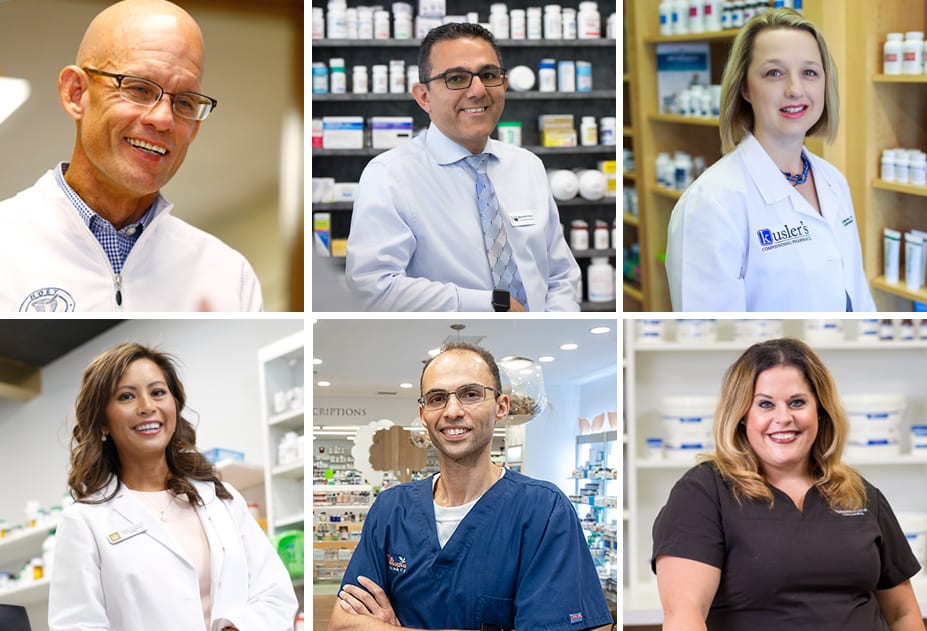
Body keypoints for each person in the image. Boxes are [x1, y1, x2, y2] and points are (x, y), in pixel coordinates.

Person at [329, 341, 613, 630]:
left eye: (471, 394)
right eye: (437, 398)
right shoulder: (391, 509)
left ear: (501, 407)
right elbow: (342, 624)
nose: (452, 411)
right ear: (423, 414)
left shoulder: (543, 510)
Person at [0, 0, 262, 312]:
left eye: (185, 102)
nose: (163, 119)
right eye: (139, 89)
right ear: (75, 94)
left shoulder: (229, 277)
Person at [652, 338, 922, 631]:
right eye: (765, 404)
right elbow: (684, 613)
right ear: (742, 415)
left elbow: (902, 613)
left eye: (797, 402)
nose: (783, 418)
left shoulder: (858, 493)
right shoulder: (704, 492)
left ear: (820, 409)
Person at [48, 343, 297, 630]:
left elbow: (275, 594)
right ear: (103, 422)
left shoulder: (220, 499)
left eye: (157, 392)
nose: (147, 407)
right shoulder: (85, 520)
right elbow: (77, 625)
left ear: (174, 405)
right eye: (126, 396)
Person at [344, 22, 582, 312]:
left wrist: (555, 325)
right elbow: (373, 289)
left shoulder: (527, 166)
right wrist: (493, 305)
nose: (478, 90)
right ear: (424, 96)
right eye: (456, 78)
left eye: (489, 75)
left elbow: (560, 273)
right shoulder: (390, 176)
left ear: (504, 84)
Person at [665, 8, 875, 312]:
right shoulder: (710, 204)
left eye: (809, 72)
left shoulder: (834, 182)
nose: (795, 89)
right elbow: (713, 333)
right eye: (774, 73)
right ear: (745, 88)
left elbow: (859, 297)